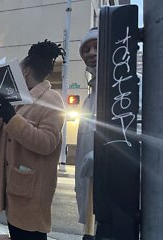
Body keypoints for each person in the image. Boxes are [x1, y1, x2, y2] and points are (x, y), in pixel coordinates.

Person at [0, 40, 65, 240]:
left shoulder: (51, 99)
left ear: (26, 70)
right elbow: (6, 138)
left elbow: (47, 143)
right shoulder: (20, 98)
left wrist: (12, 117)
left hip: (32, 194)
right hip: (16, 191)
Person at [75, 27, 98, 240]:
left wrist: (104, 157)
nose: (90, 53)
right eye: (86, 49)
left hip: (118, 203)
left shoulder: (129, 87)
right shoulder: (89, 100)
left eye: (97, 47)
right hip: (93, 208)